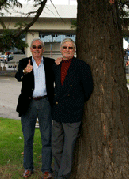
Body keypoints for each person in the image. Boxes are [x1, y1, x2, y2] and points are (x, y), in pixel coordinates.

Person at [52, 37, 93, 179]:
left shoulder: (82, 66)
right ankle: (57, 172)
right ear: (61, 50)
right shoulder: (56, 65)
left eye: (70, 48)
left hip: (73, 113)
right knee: (56, 147)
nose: (67, 50)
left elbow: (88, 89)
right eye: (65, 47)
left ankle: (63, 176)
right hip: (57, 113)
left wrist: (76, 102)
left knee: (68, 149)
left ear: (74, 50)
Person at [15, 38, 55, 179]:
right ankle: (28, 167)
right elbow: (17, 76)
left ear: (42, 49)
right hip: (28, 104)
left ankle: (46, 169)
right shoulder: (24, 62)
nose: (37, 49)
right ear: (31, 49)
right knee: (28, 137)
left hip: (45, 103)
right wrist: (25, 71)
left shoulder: (50, 63)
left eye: (39, 47)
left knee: (47, 137)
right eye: (34, 47)